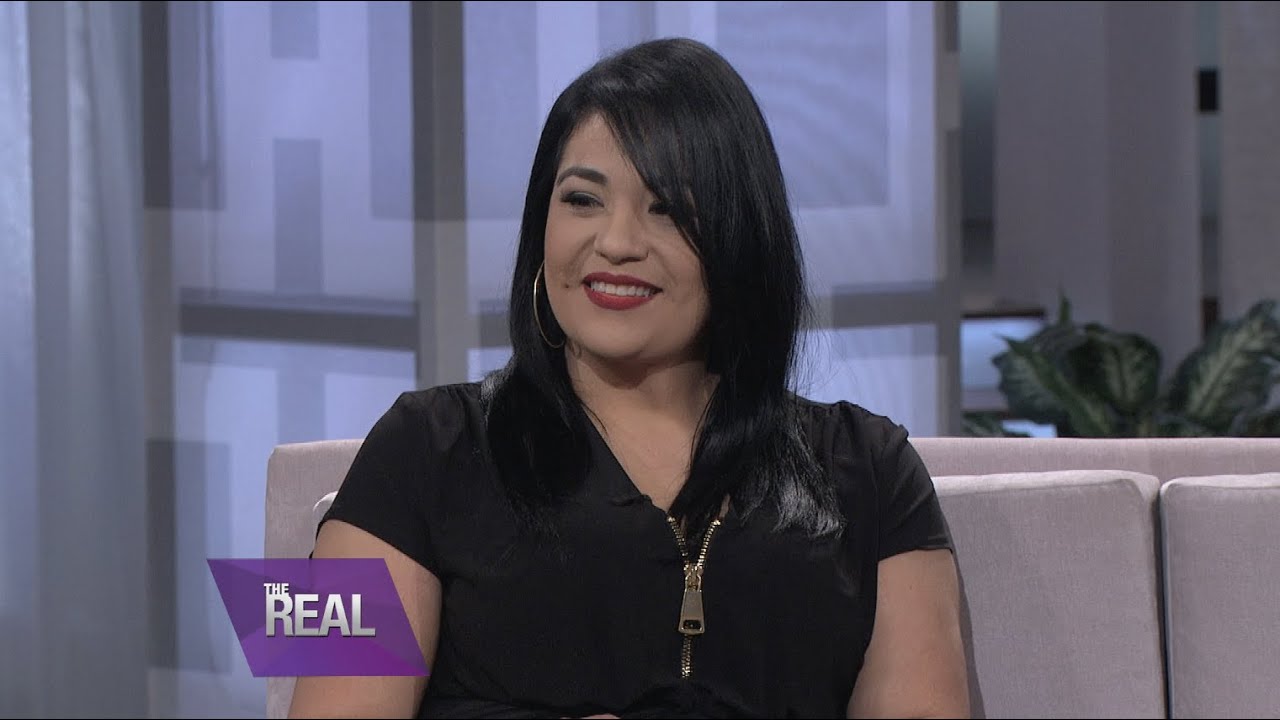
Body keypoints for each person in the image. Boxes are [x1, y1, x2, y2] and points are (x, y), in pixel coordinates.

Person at [290, 37, 968, 719]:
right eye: (582, 199)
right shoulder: (416, 446)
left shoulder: (871, 473)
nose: (615, 243)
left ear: (740, 239)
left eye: (666, 208)